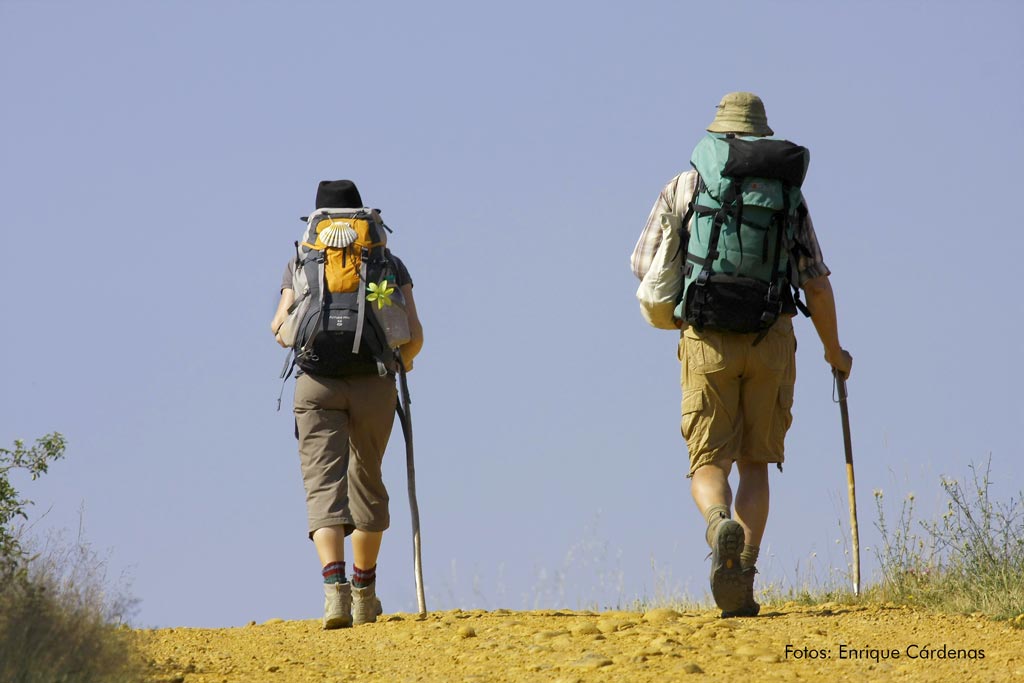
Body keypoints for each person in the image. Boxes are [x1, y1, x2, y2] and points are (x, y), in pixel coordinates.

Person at [631, 93, 852, 617]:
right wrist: (834, 351)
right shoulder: (787, 196)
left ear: (718, 133)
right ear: (760, 135)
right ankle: (744, 571)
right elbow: (815, 284)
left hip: (706, 338)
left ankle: (717, 526)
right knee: (756, 464)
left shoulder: (685, 185)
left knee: (709, 460)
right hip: (771, 338)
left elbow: (643, 264)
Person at [270, 179, 424, 629]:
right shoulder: (386, 261)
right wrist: (401, 366)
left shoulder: (303, 260)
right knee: (367, 483)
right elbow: (413, 334)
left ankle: (333, 593)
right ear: (365, 218)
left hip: (316, 384)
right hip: (375, 382)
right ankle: (364, 593)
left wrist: (299, 338)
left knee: (323, 487)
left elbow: (279, 328)